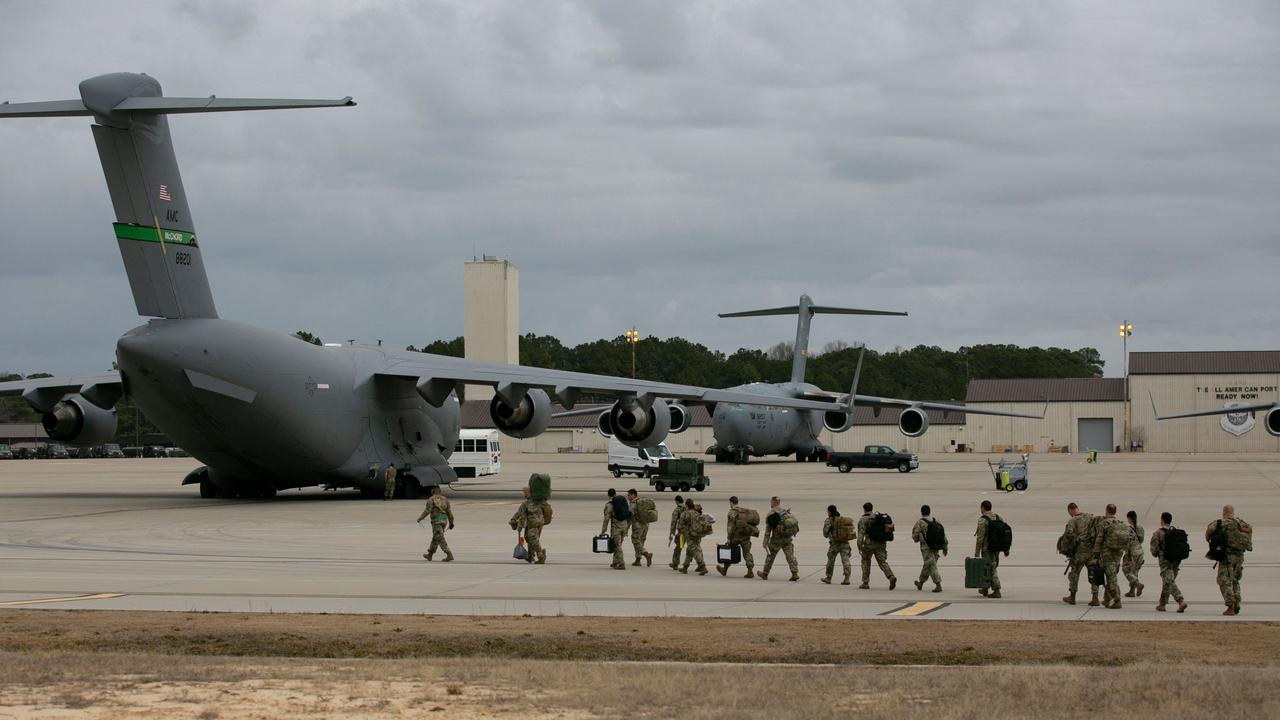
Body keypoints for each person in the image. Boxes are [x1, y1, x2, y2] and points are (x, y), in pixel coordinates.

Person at [1207, 504, 1252, 616]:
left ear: (1224, 512)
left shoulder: (1221, 523)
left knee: (1223, 580)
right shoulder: (1242, 523)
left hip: (1227, 557)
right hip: (1240, 556)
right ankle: (1237, 602)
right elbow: (1250, 530)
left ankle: (1230, 605)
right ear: (1233, 512)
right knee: (1235, 580)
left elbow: (1209, 533)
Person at [1060, 502, 1101, 606]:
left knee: (1075, 573)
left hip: (1080, 552)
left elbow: (1069, 535)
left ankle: (1072, 597)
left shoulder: (1073, 520)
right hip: (1092, 552)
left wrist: (1068, 548)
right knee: (1093, 573)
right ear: (1077, 508)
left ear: (1070, 510)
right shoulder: (1091, 517)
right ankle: (1095, 597)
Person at [1091, 504, 1129, 609]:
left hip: (1108, 553)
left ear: (1106, 510)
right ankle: (1107, 600)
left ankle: (1117, 600)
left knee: (1111, 577)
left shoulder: (1104, 523)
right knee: (1111, 574)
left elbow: (1099, 539)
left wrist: (1096, 554)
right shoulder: (1121, 523)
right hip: (1118, 553)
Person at [1149, 511, 1187, 613]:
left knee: (1169, 582)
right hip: (1176, 561)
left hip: (1165, 561)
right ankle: (1162, 604)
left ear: (1162, 520)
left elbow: (1154, 551)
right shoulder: (1174, 531)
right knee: (1167, 582)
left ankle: (1181, 601)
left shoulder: (1158, 533)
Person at [856, 502, 896, 589]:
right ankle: (890, 576)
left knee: (866, 561)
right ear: (871, 508)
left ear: (864, 509)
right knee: (882, 562)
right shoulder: (877, 518)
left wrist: (859, 546)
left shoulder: (863, 520)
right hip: (881, 543)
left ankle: (865, 582)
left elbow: (860, 535)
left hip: (869, 544)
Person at [758, 496, 799, 581]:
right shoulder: (785, 512)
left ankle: (765, 574)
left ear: (773, 502)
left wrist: (765, 542)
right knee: (790, 556)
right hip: (787, 538)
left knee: (770, 556)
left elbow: (768, 530)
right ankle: (794, 573)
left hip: (776, 539)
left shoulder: (771, 513)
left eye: (771, 502)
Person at [717, 496, 756, 578]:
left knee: (729, 552)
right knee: (747, 553)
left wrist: (728, 538)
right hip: (745, 536)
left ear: (731, 502)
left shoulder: (732, 512)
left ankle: (724, 570)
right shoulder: (744, 511)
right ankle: (750, 571)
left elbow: (730, 526)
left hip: (736, 536)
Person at [911, 504, 946, 592]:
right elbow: (942, 534)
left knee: (931, 565)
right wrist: (945, 546)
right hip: (936, 546)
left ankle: (938, 584)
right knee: (928, 564)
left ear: (921, 512)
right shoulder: (936, 520)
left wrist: (917, 539)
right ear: (929, 512)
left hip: (926, 547)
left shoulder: (920, 522)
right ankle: (920, 583)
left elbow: (915, 535)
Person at [509, 485, 548, 564]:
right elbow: (519, 513)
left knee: (533, 539)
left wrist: (519, 527)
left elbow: (522, 515)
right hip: (539, 523)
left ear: (529, 492)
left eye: (525, 492)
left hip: (533, 524)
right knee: (529, 538)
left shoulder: (527, 503)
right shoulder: (539, 501)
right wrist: (513, 519)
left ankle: (541, 556)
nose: (524, 494)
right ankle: (531, 556)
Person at [415, 485, 454, 562]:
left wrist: (420, 518)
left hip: (436, 522)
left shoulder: (431, 500)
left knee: (439, 538)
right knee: (436, 537)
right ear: (440, 491)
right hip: (444, 521)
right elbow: (449, 513)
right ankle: (430, 554)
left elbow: (427, 511)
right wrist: (451, 523)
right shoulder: (445, 499)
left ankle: (449, 554)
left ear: (432, 491)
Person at [973, 500, 1003, 598]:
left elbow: (980, 537)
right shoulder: (998, 517)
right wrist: (1005, 548)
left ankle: (997, 590)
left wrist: (977, 552)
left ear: (983, 508)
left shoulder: (983, 520)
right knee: (990, 567)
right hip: (997, 547)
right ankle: (985, 588)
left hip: (987, 548)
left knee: (991, 568)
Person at [821, 504, 852, 585]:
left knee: (830, 561)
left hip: (834, 544)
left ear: (829, 512)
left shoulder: (829, 520)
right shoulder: (842, 519)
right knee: (846, 561)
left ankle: (828, 577)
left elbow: (825, 534)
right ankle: (847, 578)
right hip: (845, 544)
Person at [601, 488, 631, 570]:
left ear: (608, 495)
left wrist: (603, 530)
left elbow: (606, 519)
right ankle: (615, 562)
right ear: (615, 494)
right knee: (618, 544)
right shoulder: (622, 501)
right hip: (624, 526)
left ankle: (621, 563)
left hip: (616, 528)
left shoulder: (609, 505)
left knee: (617, 546)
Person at [679, 500, 710, 575]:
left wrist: (680, 533)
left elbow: (680, 525)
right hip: (698, 534)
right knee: (690, 550)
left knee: (695, 550)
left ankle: (702, 566)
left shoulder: (685, 514)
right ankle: (685, 567)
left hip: (690, 535)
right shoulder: (696, 513)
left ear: (686, 505)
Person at [627, 489, 653, 567]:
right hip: (646, 524)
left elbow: (630, 517)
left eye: (629, 495)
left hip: (638, 525)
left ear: (633, 495)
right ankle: (638, 560)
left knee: (635, 541)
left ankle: (646, 554)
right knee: (641, 541)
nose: (628, 497)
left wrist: (626, 528)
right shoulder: (642, 501)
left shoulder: (633, 504)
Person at [1123, 510, 1145, 597]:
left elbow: (1127, 543)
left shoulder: (1128, 529)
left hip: (1132, 553)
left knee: (1126, 570)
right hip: (1140, 552)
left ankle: (1138, 584)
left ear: (1129, 518)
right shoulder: (1140, 528)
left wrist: (1128, 556)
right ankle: (1132, 591)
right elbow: (1141, 540)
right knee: (1135, 571)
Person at [668, 495, 686, 570]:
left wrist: (671, 534)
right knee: (693, 548)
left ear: (676, 501)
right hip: (690, 532)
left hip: (681, 533)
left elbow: (674, 522)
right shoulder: (688, 507)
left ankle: (675, 563)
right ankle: (700, 565)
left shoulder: (677, 510)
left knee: (678, 547)